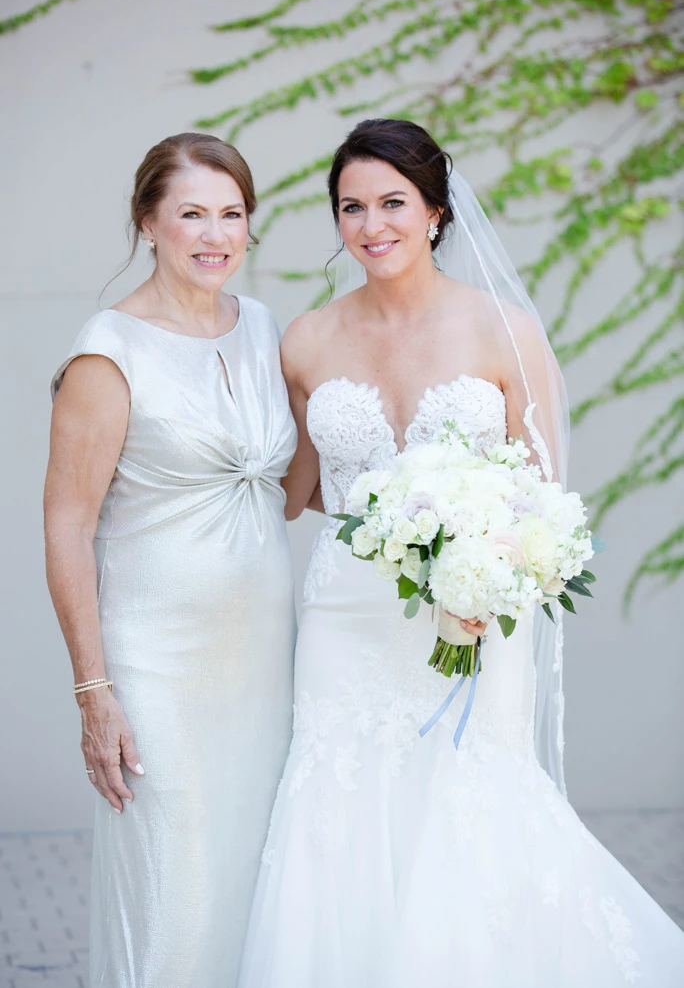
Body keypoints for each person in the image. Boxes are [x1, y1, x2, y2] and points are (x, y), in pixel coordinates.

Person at [237, 119, 684, 986]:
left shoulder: (503, 331)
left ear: (437, 210)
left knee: (468, 797)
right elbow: (293, 489)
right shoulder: (305, 340)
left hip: (476, 608)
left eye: (393, 202)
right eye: (351, 207)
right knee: (341, 794)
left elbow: (548, 499)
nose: (373, 225)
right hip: (346, 617)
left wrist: (488, 570)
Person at [44, 132, 297, 988]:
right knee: (177, 903)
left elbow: (293, 486)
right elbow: (67, 525)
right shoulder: (107, 352)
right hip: (159, 670)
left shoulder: (260, 326)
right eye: (191, 213)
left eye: (232, 214)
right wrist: (94, 693)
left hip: (265, 663)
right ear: (148, 222)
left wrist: (431, 510)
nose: (214, 234)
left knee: (255, 890)